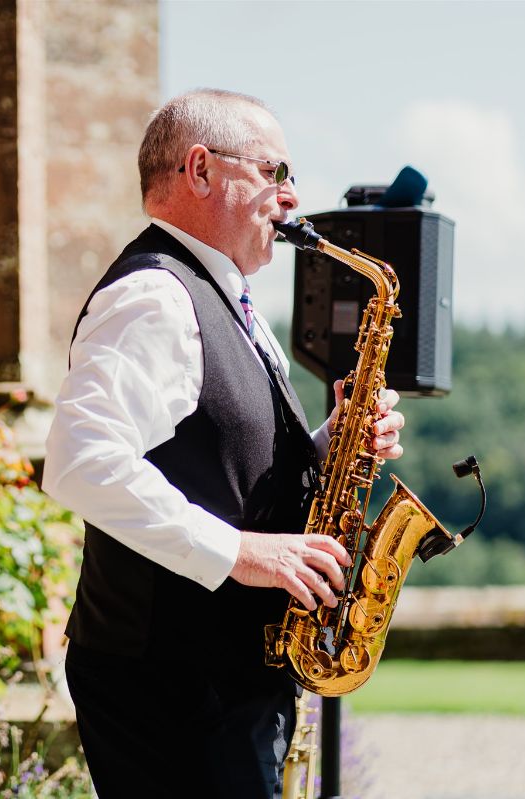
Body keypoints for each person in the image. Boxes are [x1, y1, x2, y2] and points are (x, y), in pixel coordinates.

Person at [42, 89, 406, 798]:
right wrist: (241, 553)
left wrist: (334, 444)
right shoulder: (154, 296)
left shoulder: (224, 298)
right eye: (274, 172)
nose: (291, 196)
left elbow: (220, 457)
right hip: (175, 688)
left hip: (216, 683)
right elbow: (81, 460)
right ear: (201, 169)